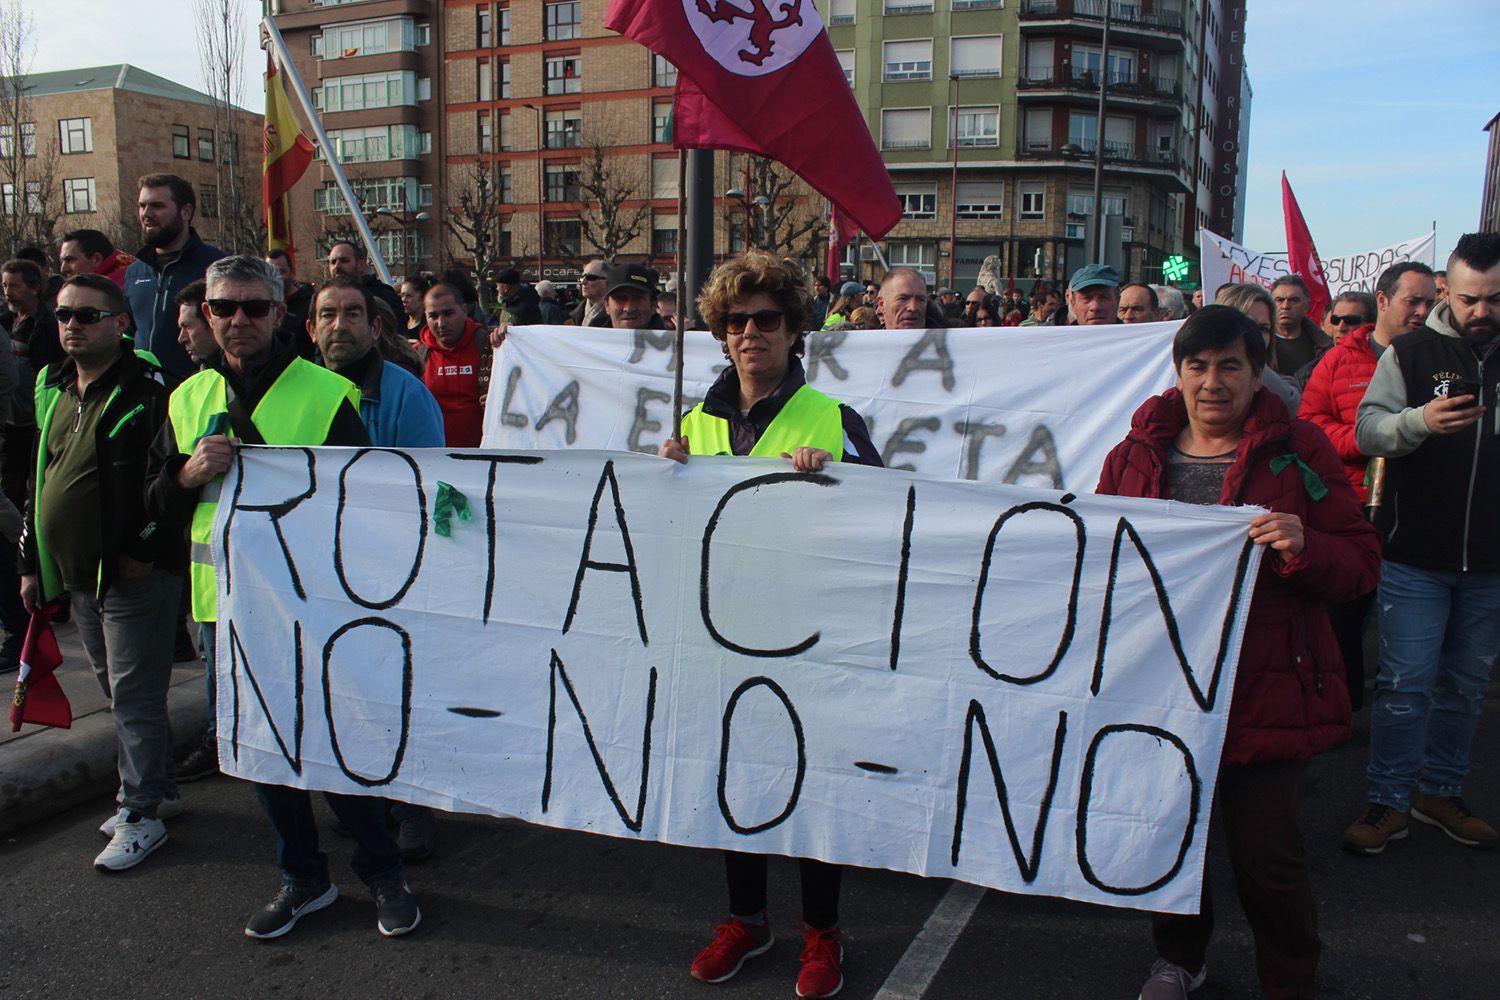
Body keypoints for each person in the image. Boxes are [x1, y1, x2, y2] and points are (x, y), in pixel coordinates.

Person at [1097, 304, 1380, 1000]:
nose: (1212, 382)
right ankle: (1178, 958)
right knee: (1170, 838)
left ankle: (1289, 979)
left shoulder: (1302, 451)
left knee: (1266, 859)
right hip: (1162, 687)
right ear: (1179, 372)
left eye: (1231, 366)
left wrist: (1307, 547)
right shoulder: (1134, 455)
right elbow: (1099, 558)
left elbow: (1362, 562)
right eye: (1198, 366)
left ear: (1259, 375)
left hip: (1267, 686)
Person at [145, 255, 420, 939]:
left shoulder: (327, 396)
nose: (238, 319)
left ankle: (382, 870)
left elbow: (367, 509)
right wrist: (185, 474)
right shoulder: (183, 400)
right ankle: (303, 878)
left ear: (279, 315)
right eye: (224, 308)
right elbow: (150, 508)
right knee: (263, 752)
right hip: (224, 610)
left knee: (336, 740)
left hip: (316, 609)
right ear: (206, 315)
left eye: (253, 307)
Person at [658, 251, 881, 1000]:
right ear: (721, 334)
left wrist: (843, 477)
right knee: (737, 778)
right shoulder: (691, 426)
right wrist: (663, 477)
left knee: (812, 785)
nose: (752, 332)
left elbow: (890, 519)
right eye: (737, 320)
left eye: (769, 319)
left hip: (810, 637)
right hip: (723, 633)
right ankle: (746, 920)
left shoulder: (833, 419)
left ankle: (823, 932)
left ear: (794, 332)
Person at [20, 273, 183, 871]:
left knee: (135, 698)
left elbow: (174, 482)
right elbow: (41, 478)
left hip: (135, 574)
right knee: (119, 691)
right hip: (76, 574)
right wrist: (32, 562)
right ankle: (159, 791)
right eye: (63, 315)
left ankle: (139, 810)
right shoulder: (59, 388)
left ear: (121, 323)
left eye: (87, 316)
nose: (72, 326)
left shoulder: (148, 392)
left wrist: (143, 548)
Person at [1344, 232, 1500, 855]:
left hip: (1491, 559)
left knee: (1465, 685)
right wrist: (1419, 422)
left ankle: (1440, 792)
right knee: (1405, 684)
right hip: (1415, 554)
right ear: (1446, 291)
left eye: (1494, 299)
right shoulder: (1409, 353)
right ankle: (1387, 801)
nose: (1482, 311)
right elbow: (1367, 429)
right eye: (1470, 299)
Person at [1298, 263, 1435, 712]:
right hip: (1354, 507)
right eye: (1411, 300)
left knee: (1411, 629)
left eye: (1429, 303)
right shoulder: (1339, 359)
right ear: (1383, 300)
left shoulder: (1438, 358)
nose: (1421, 311)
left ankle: (1403, 714)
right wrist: (1362, 440)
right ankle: (1343, 710)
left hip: (1420, 508)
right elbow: (1311, 425)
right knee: (1343, 618)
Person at [123, 174, 225, 378]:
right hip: (144, 393)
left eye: (157, 206)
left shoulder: (217, 267)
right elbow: (129, 331)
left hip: (198, 391)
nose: (147, 213)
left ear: (185, 212)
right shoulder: (135, 271)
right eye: (142, 206)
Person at [2, 258, 64, 509]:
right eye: (5, 285)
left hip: (36, 421)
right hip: (9, 420)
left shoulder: (48, 325)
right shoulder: (5, 322)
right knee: (9, 485)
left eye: (14, 286)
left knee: (35, 483)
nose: (7, 292)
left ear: (34, 288)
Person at [1215, 283, 1302, 414]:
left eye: (1263, 329)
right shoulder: (1192, 378)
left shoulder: (1285, 387)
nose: (1255, 335)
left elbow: (1289, 402)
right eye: (1247, 324)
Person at [420, 282, 488, 447]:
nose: (441, 323)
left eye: (448, 313)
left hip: (483, 456)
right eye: (433, 316)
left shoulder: (489, 346)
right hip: (434, 460)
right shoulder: (416, 357)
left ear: (464, 311)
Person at [1267, 275, 1333, 379]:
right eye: (1279, 300)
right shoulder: (1257, 341)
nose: (1285, 306)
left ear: (1306, 306)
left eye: (1294, 300)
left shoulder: (1325, 346)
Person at [325, 240, 403, 320]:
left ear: (361, 265)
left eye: (344, 261)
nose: (337, 266)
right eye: (333, 262)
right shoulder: (325, 300)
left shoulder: (385, 298)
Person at [266, 249, 314, 355]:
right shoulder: (260, 303)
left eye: (280, 272)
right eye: (270, 272)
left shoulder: (310, 303)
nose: (275, 278)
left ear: (292, 273)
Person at [590, 263, 666, 329]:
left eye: (637, 298)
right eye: (620, 298)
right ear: (607, 305)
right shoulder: (587, 342)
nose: (629, 308)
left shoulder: (673, 344)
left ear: (653, 304)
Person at [58, 229, 134, 288]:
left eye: (69, 260)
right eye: (62, 261)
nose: (63, 269)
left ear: (96, 259)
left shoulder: (112, 294)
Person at [569, 259, 610, 326]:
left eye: (590, 277)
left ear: (606, 282)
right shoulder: (573, 315)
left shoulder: (616, 316)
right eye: (582, 277)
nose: (583, 282)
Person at [399, 275, 431, 340]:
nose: (403, 300)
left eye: (408, 296)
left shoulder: (429, 328)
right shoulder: (399, 323)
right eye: (402, 295)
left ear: (423, 298)